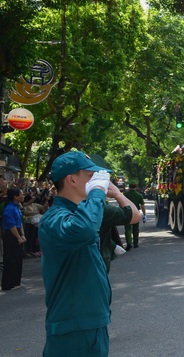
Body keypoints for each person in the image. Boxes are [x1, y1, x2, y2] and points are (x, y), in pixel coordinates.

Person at [39, 151, 140, 356]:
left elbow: (133, 216)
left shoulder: (79, 212)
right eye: (89, 176)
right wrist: (96, 192)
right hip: (73, 325)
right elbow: (84, 229)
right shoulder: (55, 218)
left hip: (90, 320)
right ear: (71, 179)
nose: (96, 181)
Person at [2, 188, 26, 291]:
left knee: (18, 259)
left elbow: (19, 222)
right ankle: (8, 283)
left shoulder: (16, 207)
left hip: (18, 233)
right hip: (11, 235)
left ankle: (16, 281)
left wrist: (23, 234)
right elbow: (11, 225)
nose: (23, 195)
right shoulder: (9, 208)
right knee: (10, 259)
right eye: (21, 194)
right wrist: (18, 237)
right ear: (15, 197)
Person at [123, 181, 146, 249]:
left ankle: (128, 243)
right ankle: (135, 243)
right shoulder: (139, 195)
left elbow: (121, 203)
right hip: (136, 213)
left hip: (127, 213)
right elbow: (142, 206)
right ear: (135, 187)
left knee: (127, 228)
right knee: (136, 229)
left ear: (129, 187)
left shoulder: (124, 194)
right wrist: (144, 215)